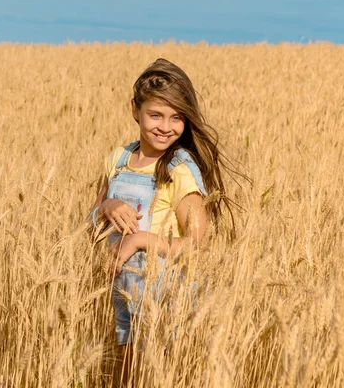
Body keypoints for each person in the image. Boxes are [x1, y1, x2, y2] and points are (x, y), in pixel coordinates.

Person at [89, 58, 236, 385]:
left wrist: (140, 240)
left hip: (166, 303)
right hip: (124, 296)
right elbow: (91, 217)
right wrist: (108, 205)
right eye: (155, 115)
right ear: (134, 110)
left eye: (176, 117)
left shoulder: (179, 170)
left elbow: (200, 247)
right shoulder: (118, 160)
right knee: (127, 379)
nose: (165, 126)